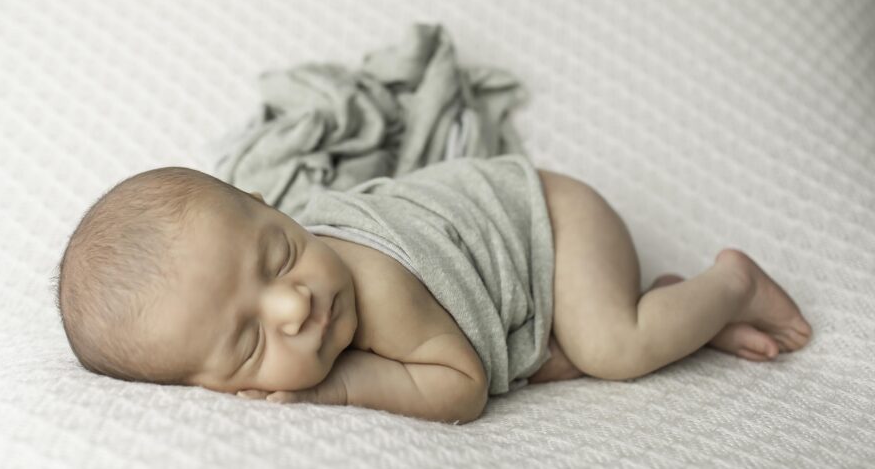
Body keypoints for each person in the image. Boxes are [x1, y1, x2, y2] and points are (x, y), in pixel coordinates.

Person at [56, 162, 812, 424]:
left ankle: (729, 283)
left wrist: (342, 387)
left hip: (552, 221)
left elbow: (463, 385)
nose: (295, 305)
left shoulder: (375, 289)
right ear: (205, 388)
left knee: (610, 349)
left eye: (280, 252)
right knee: (582, 347)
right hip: (528, 254)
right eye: (250, 342)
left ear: (272, 204)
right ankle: (671, 305)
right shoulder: (292, 294)